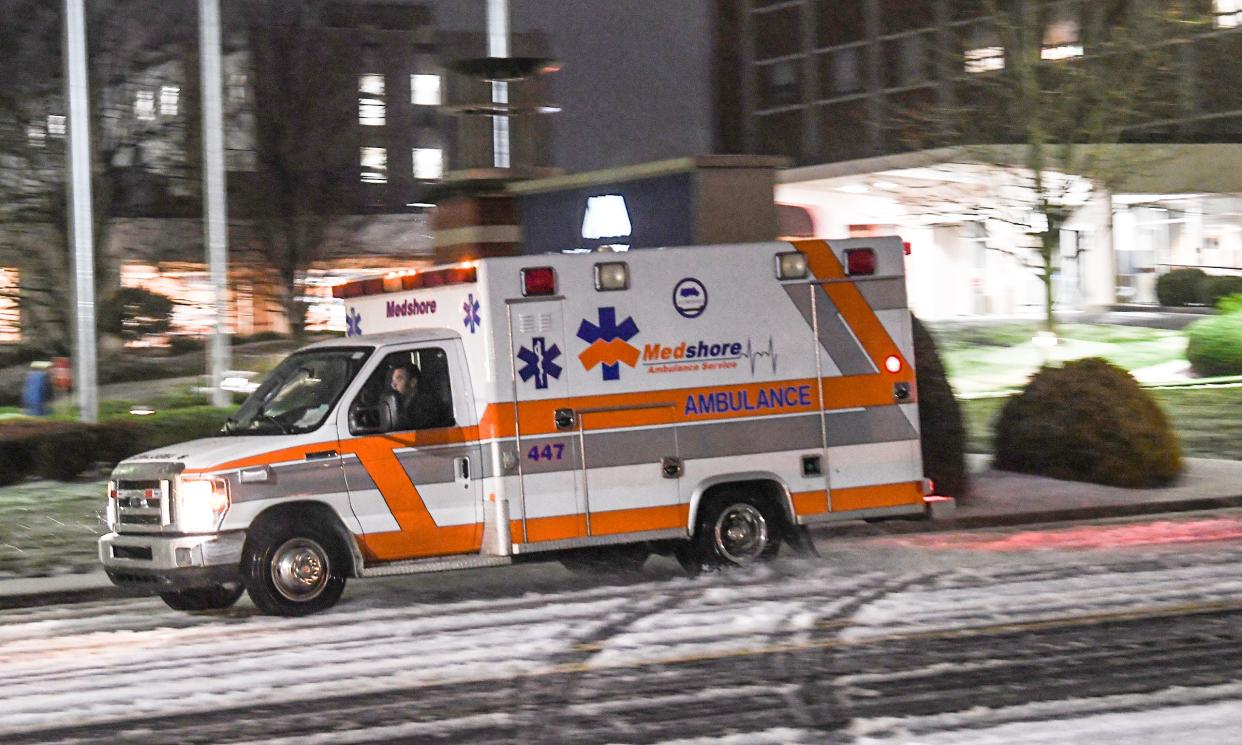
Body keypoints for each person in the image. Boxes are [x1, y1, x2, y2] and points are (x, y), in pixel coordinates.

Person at [379, 362, 452, 432]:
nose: (394, 384)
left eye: (399, 379)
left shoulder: (427, 406)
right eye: (393, 380)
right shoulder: (400, 402)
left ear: (413, 382)